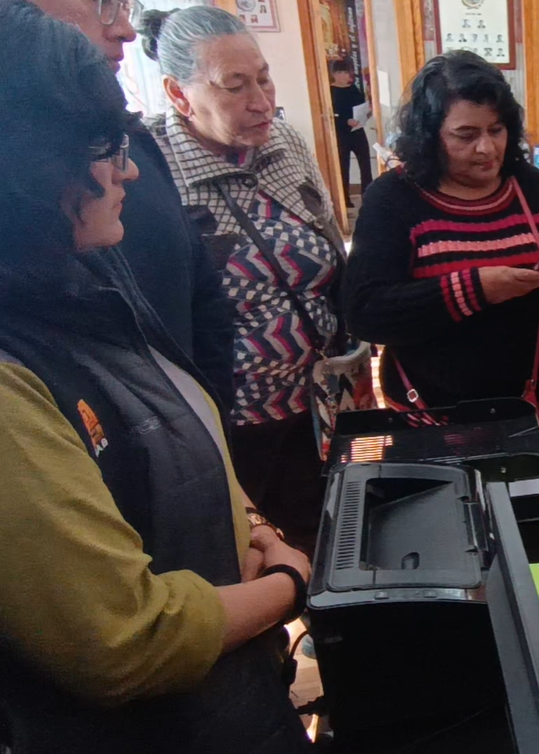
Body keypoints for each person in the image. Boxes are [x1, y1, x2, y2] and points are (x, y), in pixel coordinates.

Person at [0, 3, 311, 751]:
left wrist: (257, 527)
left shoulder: (84, 272)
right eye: (103, 149)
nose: (130, 170)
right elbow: (125, 640)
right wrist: (289, 585)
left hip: (229, 692)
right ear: (33, 173)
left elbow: (182, 408)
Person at [143, 5, 346, 555]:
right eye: (234, 86)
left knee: (337, 529)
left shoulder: (285, 141)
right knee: (252, 551)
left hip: (323, 395)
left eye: (263, 77)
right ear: (179, 94)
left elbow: (330, 246)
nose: (261, 100)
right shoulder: (148, 169)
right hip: (232, 422)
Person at [343, 52, 539, 428]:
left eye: (496, 130)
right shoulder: (393, 198)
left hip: (538, 410)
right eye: (466, 135)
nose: (486, 148)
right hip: (432, 420)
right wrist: (473, 289)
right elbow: (365, 313)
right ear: (429, 135)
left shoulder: (528, 184)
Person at [31, 0, 235, 407]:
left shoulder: (133, 141)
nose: (126, 29)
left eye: (124, 4)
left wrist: (210, 423)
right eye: (101, 5)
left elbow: (201, 297)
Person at [330, 57, 373, 208]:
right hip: (342, 134)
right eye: (340, 72)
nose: (343, 76)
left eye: (345, 72)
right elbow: (332, 115)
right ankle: (345, 200)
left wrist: (366, 114)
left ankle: (367, 197)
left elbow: (362, 106)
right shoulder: (330, 91)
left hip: (358, 131)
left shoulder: (354, 89)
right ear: (334, 74)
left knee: (366, 164)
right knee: (343, 166)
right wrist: (345, 121)